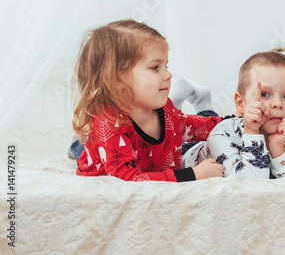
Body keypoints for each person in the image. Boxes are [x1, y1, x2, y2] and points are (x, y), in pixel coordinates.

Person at [73, 19, 225, 182]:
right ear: (117, 79)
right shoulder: (108, 122)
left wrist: (234, 123)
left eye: (166, 66)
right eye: (155, 68)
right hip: (105, 167)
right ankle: (77, 144)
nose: (168, 75)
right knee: (82, 146)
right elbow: (128, 180)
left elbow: (187, 125)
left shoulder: (164, 107)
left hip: (148, 163)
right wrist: (193, 174)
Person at [182, 51, 285, 179]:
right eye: (264, 94)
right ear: (240, 103)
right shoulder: (221, 134)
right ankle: (187, 102)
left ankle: (202, 102)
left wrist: (278, 148)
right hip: (187, 149)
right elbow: (250, 183)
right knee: (175, 124)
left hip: (236, 122)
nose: (277, 104)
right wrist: (251, 132)